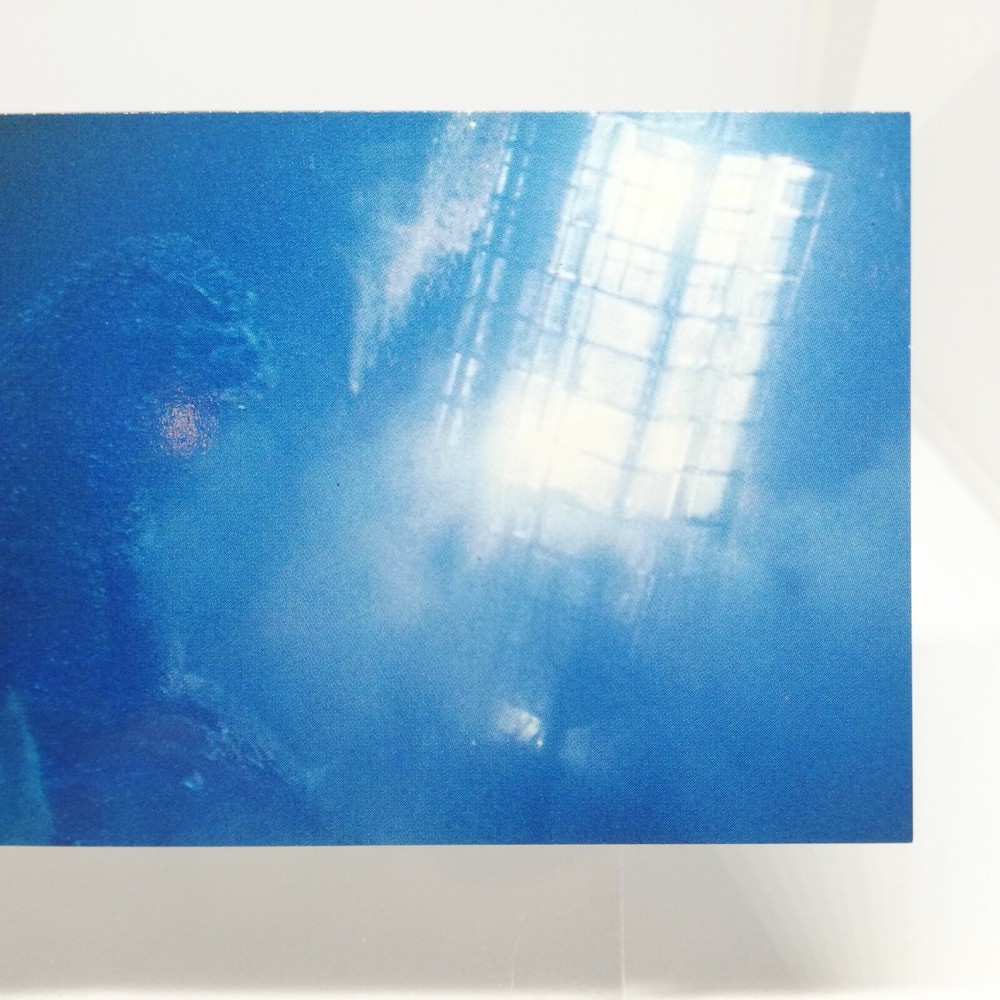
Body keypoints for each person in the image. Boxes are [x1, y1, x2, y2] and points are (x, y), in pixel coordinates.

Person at [0, 235, 322, 845]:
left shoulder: (108, 503)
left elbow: (125, 678)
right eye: (199, 402)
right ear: (129, 381)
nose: (205, 435)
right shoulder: (30, 505)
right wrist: (109, 751)